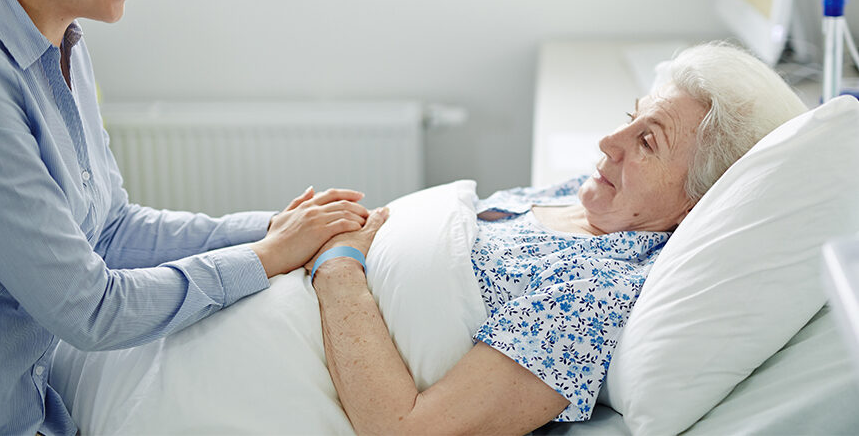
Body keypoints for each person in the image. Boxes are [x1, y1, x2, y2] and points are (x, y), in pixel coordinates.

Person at [0, 0, 369, 435]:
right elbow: (90, 310)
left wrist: (275, 227)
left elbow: (111, 231)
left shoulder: (60, 44)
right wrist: (265, 257)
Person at [305, 42, 808, 435]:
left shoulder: (595, 295)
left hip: (297, 351)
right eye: (631, 118)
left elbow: (410, 428)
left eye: (647, 141)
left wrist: (339, 270)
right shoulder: (587, 197)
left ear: (697, 201)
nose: (608, 142)